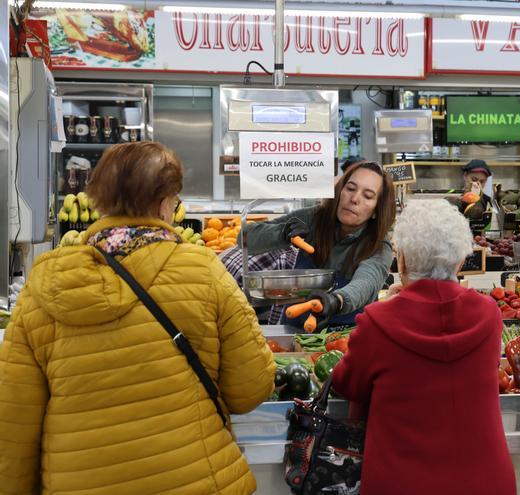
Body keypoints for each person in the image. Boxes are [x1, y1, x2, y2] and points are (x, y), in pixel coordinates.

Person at [0, 142, 276, 495]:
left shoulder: (45, 286)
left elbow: (13, 423)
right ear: (164, 204)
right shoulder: (205, 271)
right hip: (191, 478)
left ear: (98, 200)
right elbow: (249, 390)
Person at [332, 199, 516, 495]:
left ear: (401, 260)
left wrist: (390, 305)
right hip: (485, 481)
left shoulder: (377, 322)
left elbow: (347, 384)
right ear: (459, 261)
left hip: (401, 483)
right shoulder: (489, 314)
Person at [243, 161, 396, 330]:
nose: (354, 199)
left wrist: (336, 301)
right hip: (295, 331)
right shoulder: (313, 219)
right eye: (350, 189)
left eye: (367, 196)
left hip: (345, 340)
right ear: (340, 191)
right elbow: (244, 239)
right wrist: (281, 233)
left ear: (376, 210)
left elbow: (366, 283)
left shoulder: (379, 246)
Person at [220, 245, 298, 325]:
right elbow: (279, 309)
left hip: (216, 307)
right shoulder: (286, 258)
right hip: (233, 315)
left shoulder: (234, 249)